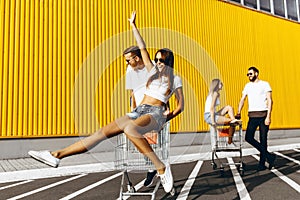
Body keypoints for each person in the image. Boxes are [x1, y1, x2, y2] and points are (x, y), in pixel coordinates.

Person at [28, 11, 184, 193]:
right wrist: (133, 25)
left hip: (155, 113)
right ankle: (56, 155)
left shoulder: (175, 79)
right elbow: (142, 48)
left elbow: (181, 105)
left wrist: (168, 115)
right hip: (140, 111)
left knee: (130, 129)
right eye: (156, 59)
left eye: (161, 60)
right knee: (101, 133)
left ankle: (160, 167)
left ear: (168, 62)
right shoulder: (151, 73)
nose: (157, 62)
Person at [123, 46, 184, 187]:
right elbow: (132, 92)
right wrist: (133, 109)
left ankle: (158, 167)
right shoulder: (129, 70)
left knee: (153, 142)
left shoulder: (153, 68)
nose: (127, 63)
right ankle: (151, 166)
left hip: (153, 111)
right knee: (136, 136)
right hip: (140, 109)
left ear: (137, 58)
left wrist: (165, 109)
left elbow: (162, 90)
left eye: (129, 60)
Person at [236, 66, 276, 171]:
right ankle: (269, 156)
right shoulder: (248, 86)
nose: (249, 76)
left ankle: (262, 164)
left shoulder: (265, 84)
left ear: (256, 74)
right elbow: (242, 99)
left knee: (263, 140)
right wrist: (238, 111)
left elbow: (270, 100)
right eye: (248, 74)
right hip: (252, 116)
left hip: (263, 115)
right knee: (248, 137)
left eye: (250, 74)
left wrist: (268, 116)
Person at [204, 78, 239, 144]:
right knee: (232, 122)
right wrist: (213, 121)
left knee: (229, 107)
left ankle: (233, 120)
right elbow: (211, 108)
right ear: (216, 85)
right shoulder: (215, 94)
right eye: (221, 84)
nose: (222, 85)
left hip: (213, 114)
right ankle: (229, 138)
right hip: (209, 115)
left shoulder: (216, 94)